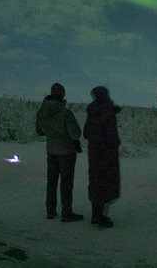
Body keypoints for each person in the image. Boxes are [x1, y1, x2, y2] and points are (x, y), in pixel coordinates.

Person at [36, 83, 84, 221]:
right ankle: (66, 212)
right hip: (67, 153)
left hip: (51, 151)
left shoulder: (41, 112)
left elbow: (39, 131)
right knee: (66, 183)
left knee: (51, 182)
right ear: (62, 95)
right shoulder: (66, 113)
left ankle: (50, 210)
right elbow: (75, 134)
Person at [83, 86, 121, 228]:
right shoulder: (108, 112)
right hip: (107, 155)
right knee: (107, 183)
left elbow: (86, 133)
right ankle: (101, 216)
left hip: (94, 153)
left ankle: (95, 214)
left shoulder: (92, 112)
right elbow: (111, 136)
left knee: (95, 182)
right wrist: (115, 143)